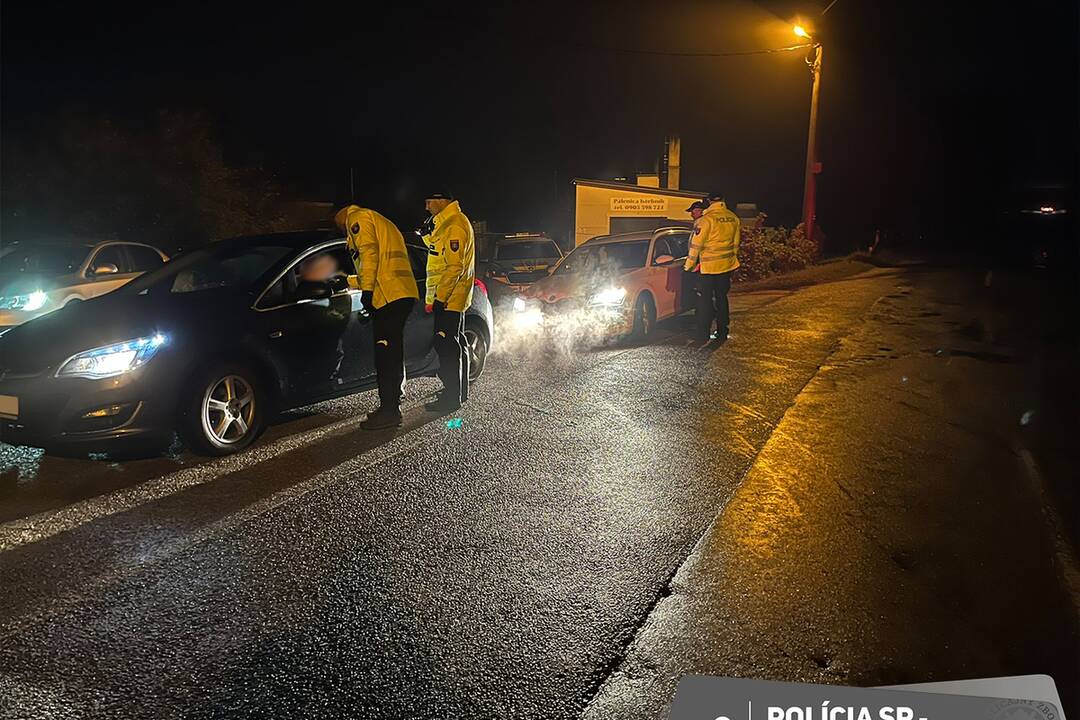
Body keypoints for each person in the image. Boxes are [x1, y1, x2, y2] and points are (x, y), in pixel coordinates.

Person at [334, 204, 419, 430]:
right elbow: (378, 266)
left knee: (386, 354)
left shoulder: (357, 219)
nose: (342, 230)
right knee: (392, 351)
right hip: (400, 292)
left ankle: (390, 412)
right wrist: (350, 281)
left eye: (339, 225)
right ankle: (392, 404)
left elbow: (369, 256)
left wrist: (367, 293)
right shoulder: (380, 220)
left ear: (343, 216)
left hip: (388, 296)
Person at [420, 191, 475, 413]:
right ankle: (458, 392)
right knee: (454, 342)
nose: (426, 207)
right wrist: (426, 235)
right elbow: (437, 253)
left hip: (450, 297)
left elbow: (454, 266)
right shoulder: (448, 223)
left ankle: (451, 397)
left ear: (442, 200)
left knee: (446, 345)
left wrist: (440, 297)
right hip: (451, 296)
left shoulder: (455, 225)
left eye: (428, 201)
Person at [684, 192, 740, 347]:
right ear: (723, 200)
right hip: (726, 267)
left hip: (708, 269)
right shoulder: (733, 218)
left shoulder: (706, 220)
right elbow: (735, 245)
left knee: (705, 302)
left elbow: (696, 246)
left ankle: (702, 335)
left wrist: (688, 266)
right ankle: (722, 331)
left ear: (709, 202)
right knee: (722, 299)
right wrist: (730, 262)